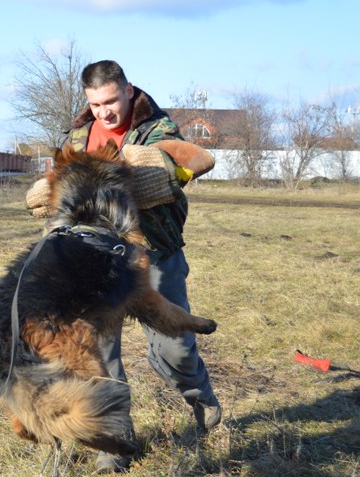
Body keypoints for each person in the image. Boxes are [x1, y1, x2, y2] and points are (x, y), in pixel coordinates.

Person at [31, 60, 221, 473]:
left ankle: (198, 394)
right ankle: (115, 441)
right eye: (96, 104)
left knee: (175, 348)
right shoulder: (78, 136)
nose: (104, 112)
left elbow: (187, 162)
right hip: (95, 262)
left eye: (111, 101)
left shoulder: (155, 127)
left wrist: (159, 172)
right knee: (98, 353)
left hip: (155, 253)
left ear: (128, 90)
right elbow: (62, 184)